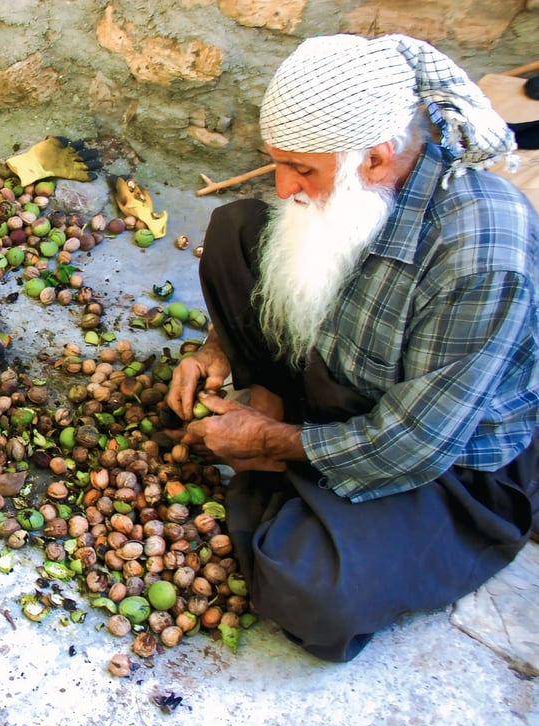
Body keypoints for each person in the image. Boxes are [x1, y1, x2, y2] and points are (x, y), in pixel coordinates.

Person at [166, 33, 539, 662]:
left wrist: (267, 441)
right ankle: (288, 443)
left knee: (309, 590)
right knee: (239, 229)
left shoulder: (480, 254)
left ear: (375, 159)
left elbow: (415, 444)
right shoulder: (360, 190)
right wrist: (218, 349)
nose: (284, 186)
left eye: (303, 169)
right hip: (348, 376)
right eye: (277, 161)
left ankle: (289, 468)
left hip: (447, 460)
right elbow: (290, 274)